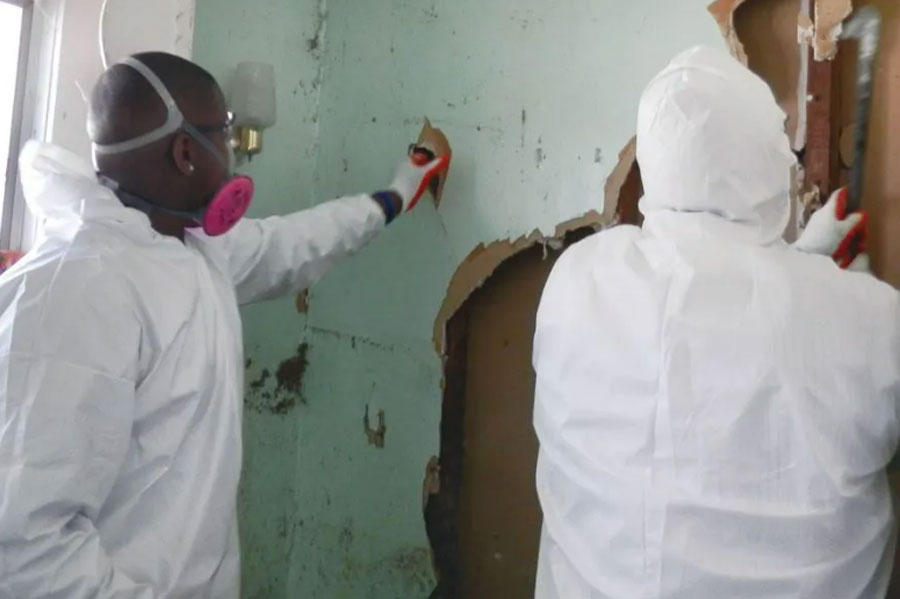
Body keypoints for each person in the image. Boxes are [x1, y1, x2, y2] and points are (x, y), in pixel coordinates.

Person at [0, 52, 448, 598]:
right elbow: (24, 546)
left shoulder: (184, 247)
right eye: (226, 132)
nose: (234, 150)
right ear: (186, 150)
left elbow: (293, 243)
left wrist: (394, 196)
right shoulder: (76, 291)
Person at [532, 45, 900, 599]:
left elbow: (698, 324)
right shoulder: (865, 321)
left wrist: (808, 270)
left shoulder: (578, 279)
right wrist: (847, 302)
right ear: (766, 159)